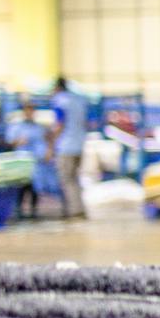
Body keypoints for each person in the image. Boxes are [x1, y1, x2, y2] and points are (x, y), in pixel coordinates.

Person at [7, 100, 61, 219]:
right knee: (22, 185)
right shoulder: (17, 127)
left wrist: (49, 152)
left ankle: (33, 210)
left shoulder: (39, 128)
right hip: (21, 162)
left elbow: (49, 140)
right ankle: (19, 210)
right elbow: (10, 142)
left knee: (34, 186)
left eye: (32, 110)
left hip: (37, 162)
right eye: (27, 110)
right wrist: (18, 142)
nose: (30, 113)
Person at [50, 77, 91, 219]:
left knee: (67, 180)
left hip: (65, 146)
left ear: (56, 88)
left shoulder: (60, 101)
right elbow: (86, 123)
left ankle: (75, 211)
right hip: (80, 145)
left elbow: (59, 124)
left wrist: (51, 143)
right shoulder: (79, 100)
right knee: (75, 178)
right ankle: (81, 208)